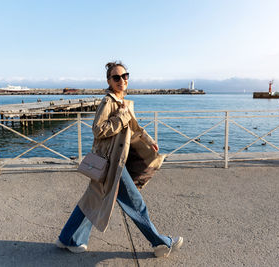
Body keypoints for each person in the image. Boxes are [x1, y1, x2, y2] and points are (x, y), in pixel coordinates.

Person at [55, 61, 183, 258]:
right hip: (112, 163)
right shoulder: (109, 102)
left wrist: (149, 140)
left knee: (94, 199)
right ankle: (160, 243)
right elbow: (98, 130)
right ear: (109, 81)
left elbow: (134, 127)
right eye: (116, 77)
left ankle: (68, 238)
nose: (122, 80)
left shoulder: (123, 101)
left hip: (119, 160)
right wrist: (121, 117)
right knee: (135, 203)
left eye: (125, 76)